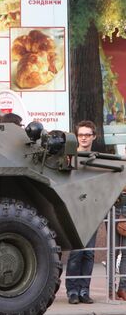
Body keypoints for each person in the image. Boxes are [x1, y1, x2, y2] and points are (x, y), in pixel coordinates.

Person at [66, 120, 98, 305]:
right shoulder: (70, 157)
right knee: (76, 252)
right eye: (81, 135)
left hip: (93, 210)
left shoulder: (99, 157)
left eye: (87, 134)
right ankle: (72, 291)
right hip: (75, 210)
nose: (84, 138)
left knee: (89, 253)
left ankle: (84, 290)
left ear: (94, 136)